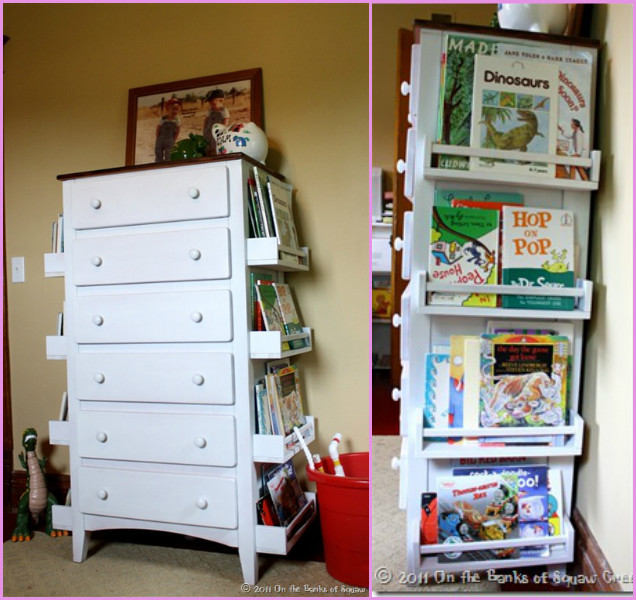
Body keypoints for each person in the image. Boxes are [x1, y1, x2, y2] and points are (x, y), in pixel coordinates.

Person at [203, 89, 230, 156]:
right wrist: (204, 130)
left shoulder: (224, 111)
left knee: (215, 147)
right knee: (207, 147)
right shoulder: (210, 110)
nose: (212, 105)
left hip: (217, 133)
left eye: (213, 104)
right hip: (208, 132)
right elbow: (206, 120)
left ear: (221, 100)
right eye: (210, 104)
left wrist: (222, 131)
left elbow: (225, 121)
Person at [154, 98, 181, 162]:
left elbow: (178, 129)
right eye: (173, 109)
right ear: (167, 109)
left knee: (169, 154)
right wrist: (158, 138)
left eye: (176, 109)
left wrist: (174, 139)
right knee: (158, 151)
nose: (175, 111)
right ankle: (158, 164)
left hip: (170, 139)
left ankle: (167, 165)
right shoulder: (163, 119)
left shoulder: (177, 120)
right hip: (161, 138)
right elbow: (158, 128)